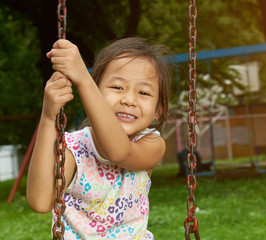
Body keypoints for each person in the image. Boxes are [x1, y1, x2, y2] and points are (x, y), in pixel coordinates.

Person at [26, 37, 172, 239]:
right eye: (117, 87)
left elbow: (120, 152)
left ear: (158, 110)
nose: (129, 100)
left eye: (144, 92)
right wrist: (49, 116)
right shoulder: (74, 149)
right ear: (93, 94)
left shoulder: (151, 143)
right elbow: (40, 201)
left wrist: (82, 78)